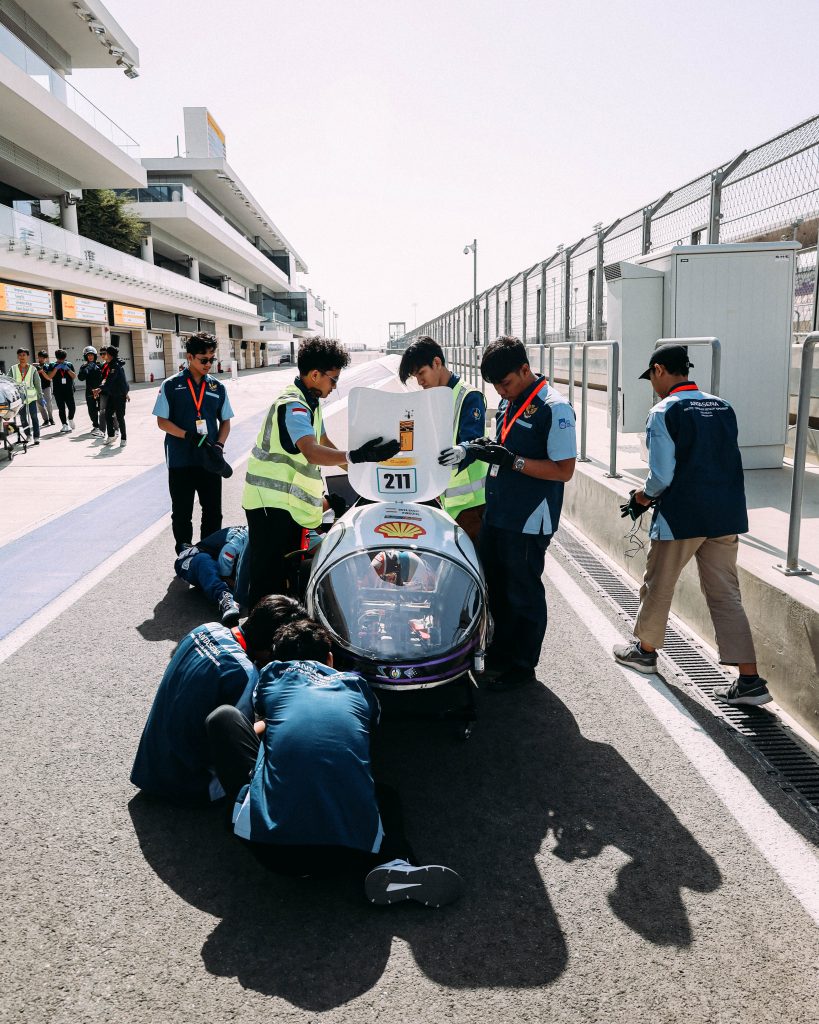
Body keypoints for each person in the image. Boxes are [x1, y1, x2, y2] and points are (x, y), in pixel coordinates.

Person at [206, 618, 464, 907]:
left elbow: (263, 717)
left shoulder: (271, 675)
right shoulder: (358, 686)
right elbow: (369, 727)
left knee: (224, 718)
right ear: (330, 658)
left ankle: (243, 809)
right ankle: (396, 861)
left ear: (277, 657)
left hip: (271, 852)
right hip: (347, 854)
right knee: (387, 795)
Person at [612, 345, 772, 706]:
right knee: (725, 594)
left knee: (659, 584)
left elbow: (662, 475)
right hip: (725, 514)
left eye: (651, 377)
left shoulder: (663, 410)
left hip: (683, 515)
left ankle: (645, 651)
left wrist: (641, 497)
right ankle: (750, 681)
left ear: (659, 370)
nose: (652, 385)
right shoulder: (722, 406)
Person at [242, 336, 400, 608]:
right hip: (270, 506)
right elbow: (311, 450)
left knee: (285, 576)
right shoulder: (293, 406)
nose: (335, 386)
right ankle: (259, 643)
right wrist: (356, 455)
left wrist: (360, 469)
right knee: (269, 581)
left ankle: (274, 637)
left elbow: (325, 442)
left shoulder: (310, 404)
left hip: (285, 507)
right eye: (334, 379)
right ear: (315, 375)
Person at [468, 336, 577, 692]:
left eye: (507, 382)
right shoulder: (509, 402)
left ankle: (522, 664)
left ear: (525, 369)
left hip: (528, 519)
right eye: (497, 386)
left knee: (523, 592)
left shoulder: (554, 408)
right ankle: (499, 652)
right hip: (498, 511)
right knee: (495, 586)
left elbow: (563, 470)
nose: (502, 391)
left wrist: (511, 460)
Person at [130, 594, 306, 804]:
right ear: (273, 648)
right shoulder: (246, 675)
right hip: (188, 784)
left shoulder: (205, 629)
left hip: (148, 764)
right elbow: (237, 741)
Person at [400, 336, 488, 541]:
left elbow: (473, 442)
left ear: (437, 363)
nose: (420, 381)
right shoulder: (431, 397)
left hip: (471, 505)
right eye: (415, 376)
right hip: (446, 501)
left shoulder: (469, 396)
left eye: (421, 373)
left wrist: (461, 451)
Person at [153, 333, 234, 552]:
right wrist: (187, 435)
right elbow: (162, 421)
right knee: (182, 512)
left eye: (212, 359)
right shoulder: (171, 385)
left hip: (209, 460)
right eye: (203, 359)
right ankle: (185, 553)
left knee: (213, 511)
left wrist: (219, 445)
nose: (209, 364)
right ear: (190, 357)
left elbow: (225, 421)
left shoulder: (218, 388)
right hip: (181, 460)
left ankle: (208, 552)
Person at [174, 525, 249, 627]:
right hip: (194, 560)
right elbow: (226, 556)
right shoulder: (245, 535)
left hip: (222, 566)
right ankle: (225, 597)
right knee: (204, 561)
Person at [94, 346, 129, 448]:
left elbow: (110, 380)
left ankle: (124, 438)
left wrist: (99, 389)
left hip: (119, 395)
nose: (104, 355)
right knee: (108, 415)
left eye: (106, 353)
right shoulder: (111, 364)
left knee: (120, 417)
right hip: (112, 394)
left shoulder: (115, 366)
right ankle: (111, 435)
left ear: (110, 355)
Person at [10, 348, 43, 445]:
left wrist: (40, 396)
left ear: (28, 356)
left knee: (34, 416)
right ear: (17, 356)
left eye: (24, 355)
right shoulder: (13, 368)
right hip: (19, 398)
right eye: (20, 355)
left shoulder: (33, 369)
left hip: (31, 397)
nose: (22, 357)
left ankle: (36, 437)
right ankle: (28, 435)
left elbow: (37, 383)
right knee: (23, 418)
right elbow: (9, 381)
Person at [44, 349, 77, 433]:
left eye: (62, 359)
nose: (61, 361)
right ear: (56, 357)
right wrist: (56, 369)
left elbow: (74, 376)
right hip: (58, 390)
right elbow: (49, 377)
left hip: (69, 389)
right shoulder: (52, 365)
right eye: (59, 359)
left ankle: (70, 418)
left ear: (65, 357)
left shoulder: (69, 364)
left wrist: (67, 369)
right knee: (61, 408)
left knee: (72, 407)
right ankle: (64, 424)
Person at [77, 346, 104, 436]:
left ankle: (103, 426)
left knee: (102, 409)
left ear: (95, 355)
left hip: (100, 390)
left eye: (92, 355)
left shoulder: (100, 365)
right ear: (86, 357)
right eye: (88, 355)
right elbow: (80, 378)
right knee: (91, 410)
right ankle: (96, 426)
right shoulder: (84, 366)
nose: (90, 357)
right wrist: (87, 369)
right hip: (90, 391)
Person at [35, 351, 55, 427]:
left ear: (45, 358)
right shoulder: (34, 367)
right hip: (37, 388)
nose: (41, 359)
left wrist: (42, 371)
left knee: (48, 403)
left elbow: (50, 378)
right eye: (40, 357)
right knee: (40, 405)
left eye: (43, 358)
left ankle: (51, 418)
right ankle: (45, 420)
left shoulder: (48, 366)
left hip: (47, 387)